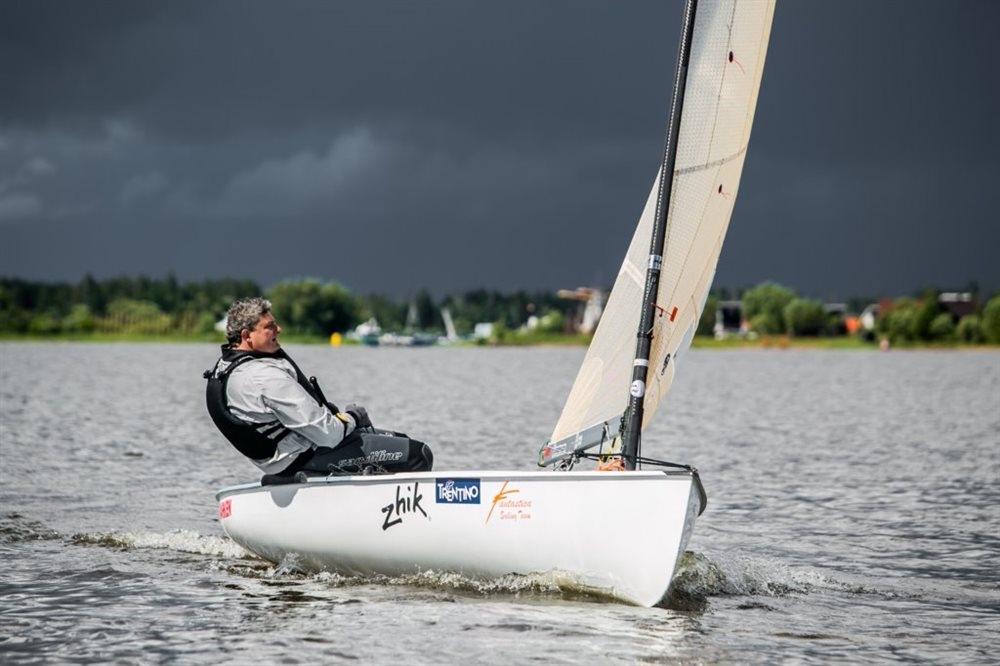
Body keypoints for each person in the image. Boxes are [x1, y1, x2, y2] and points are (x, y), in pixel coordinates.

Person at [204, 297, 432, 482]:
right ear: (246, 336)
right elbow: (329, 434)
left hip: (287, 458)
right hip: (305, 456)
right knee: (417, 454)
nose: (279, 329)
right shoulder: (264, 377)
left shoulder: (226, 368)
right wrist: (353, 417)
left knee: (397, 440)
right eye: (269, 327)